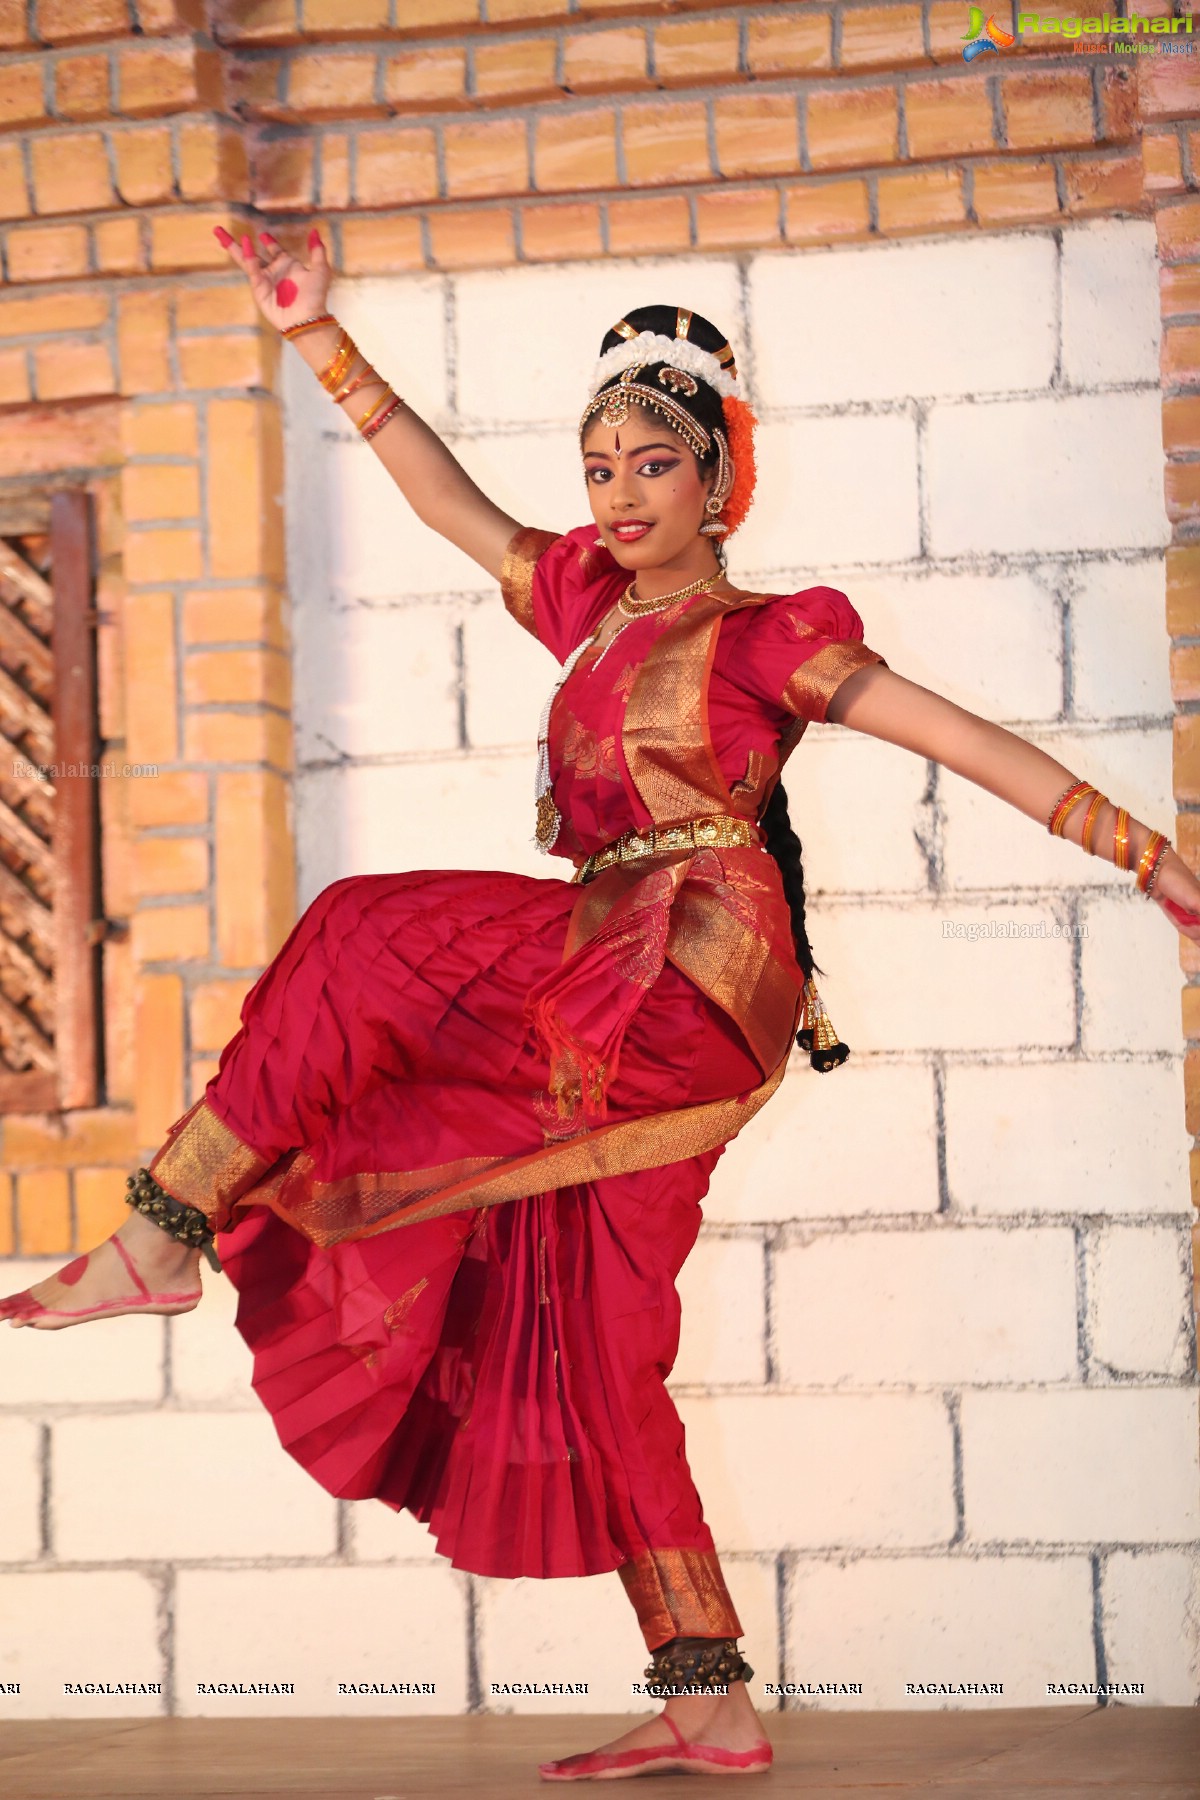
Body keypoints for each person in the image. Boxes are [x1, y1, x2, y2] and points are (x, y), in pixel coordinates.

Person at [4, 234, 1199, 1785]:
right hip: (604, 987)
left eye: (653, 462)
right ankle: (709, 1698)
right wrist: (316, 332)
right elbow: (447, 502)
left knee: (365, 930)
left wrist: (1148, 857)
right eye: (597, 466)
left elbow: (957, 735)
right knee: (596, 1339)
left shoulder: (766, 634)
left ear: (719, 479)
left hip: (684, 966)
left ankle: (165, 1225)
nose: (619, 491)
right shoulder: (586, 603)